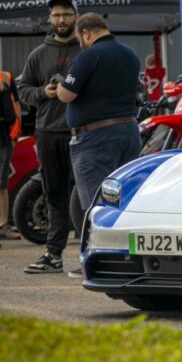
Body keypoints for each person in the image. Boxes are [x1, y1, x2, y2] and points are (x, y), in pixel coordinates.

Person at [18, 0, 81, 273]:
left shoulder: (87, 49)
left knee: (85, 194)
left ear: (75, 16)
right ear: (49, 18)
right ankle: (53, 255)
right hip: (48, 133)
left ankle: (89, 254)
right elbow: (23, 91)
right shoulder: (38, 54)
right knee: (54, 193)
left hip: (81, 132)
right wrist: (44, 92)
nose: (61, 20)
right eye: (56, 15)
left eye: (66, 14)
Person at [56, 13, 141, 217]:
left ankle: (101, 248)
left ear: (86, 34)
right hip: (129, 132)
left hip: (96, 139)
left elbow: (66, 94)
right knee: (125, 201)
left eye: (79, 39)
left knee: (98, 206)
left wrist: (59, 85)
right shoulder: (130, 54)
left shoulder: (88, 56)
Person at [0, 72, 21, 241]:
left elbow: (16, 107)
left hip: (3, 137)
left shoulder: (5, 77)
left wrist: (14, 136)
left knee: (1, 183)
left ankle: (2, 225)